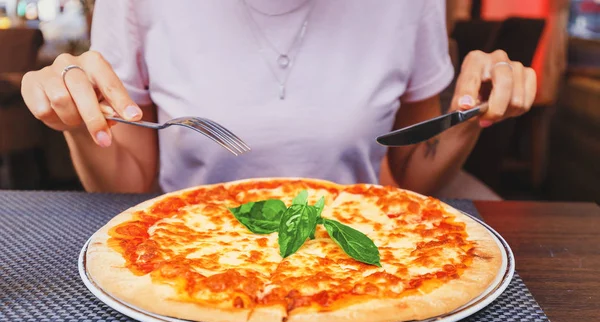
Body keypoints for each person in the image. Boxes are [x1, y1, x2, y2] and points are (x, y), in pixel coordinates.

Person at [20, 0, 536, 198]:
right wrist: (76, 119)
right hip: (190, 251)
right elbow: (129, 181)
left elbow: (414, 172)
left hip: (361, 256)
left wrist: (473, 113)